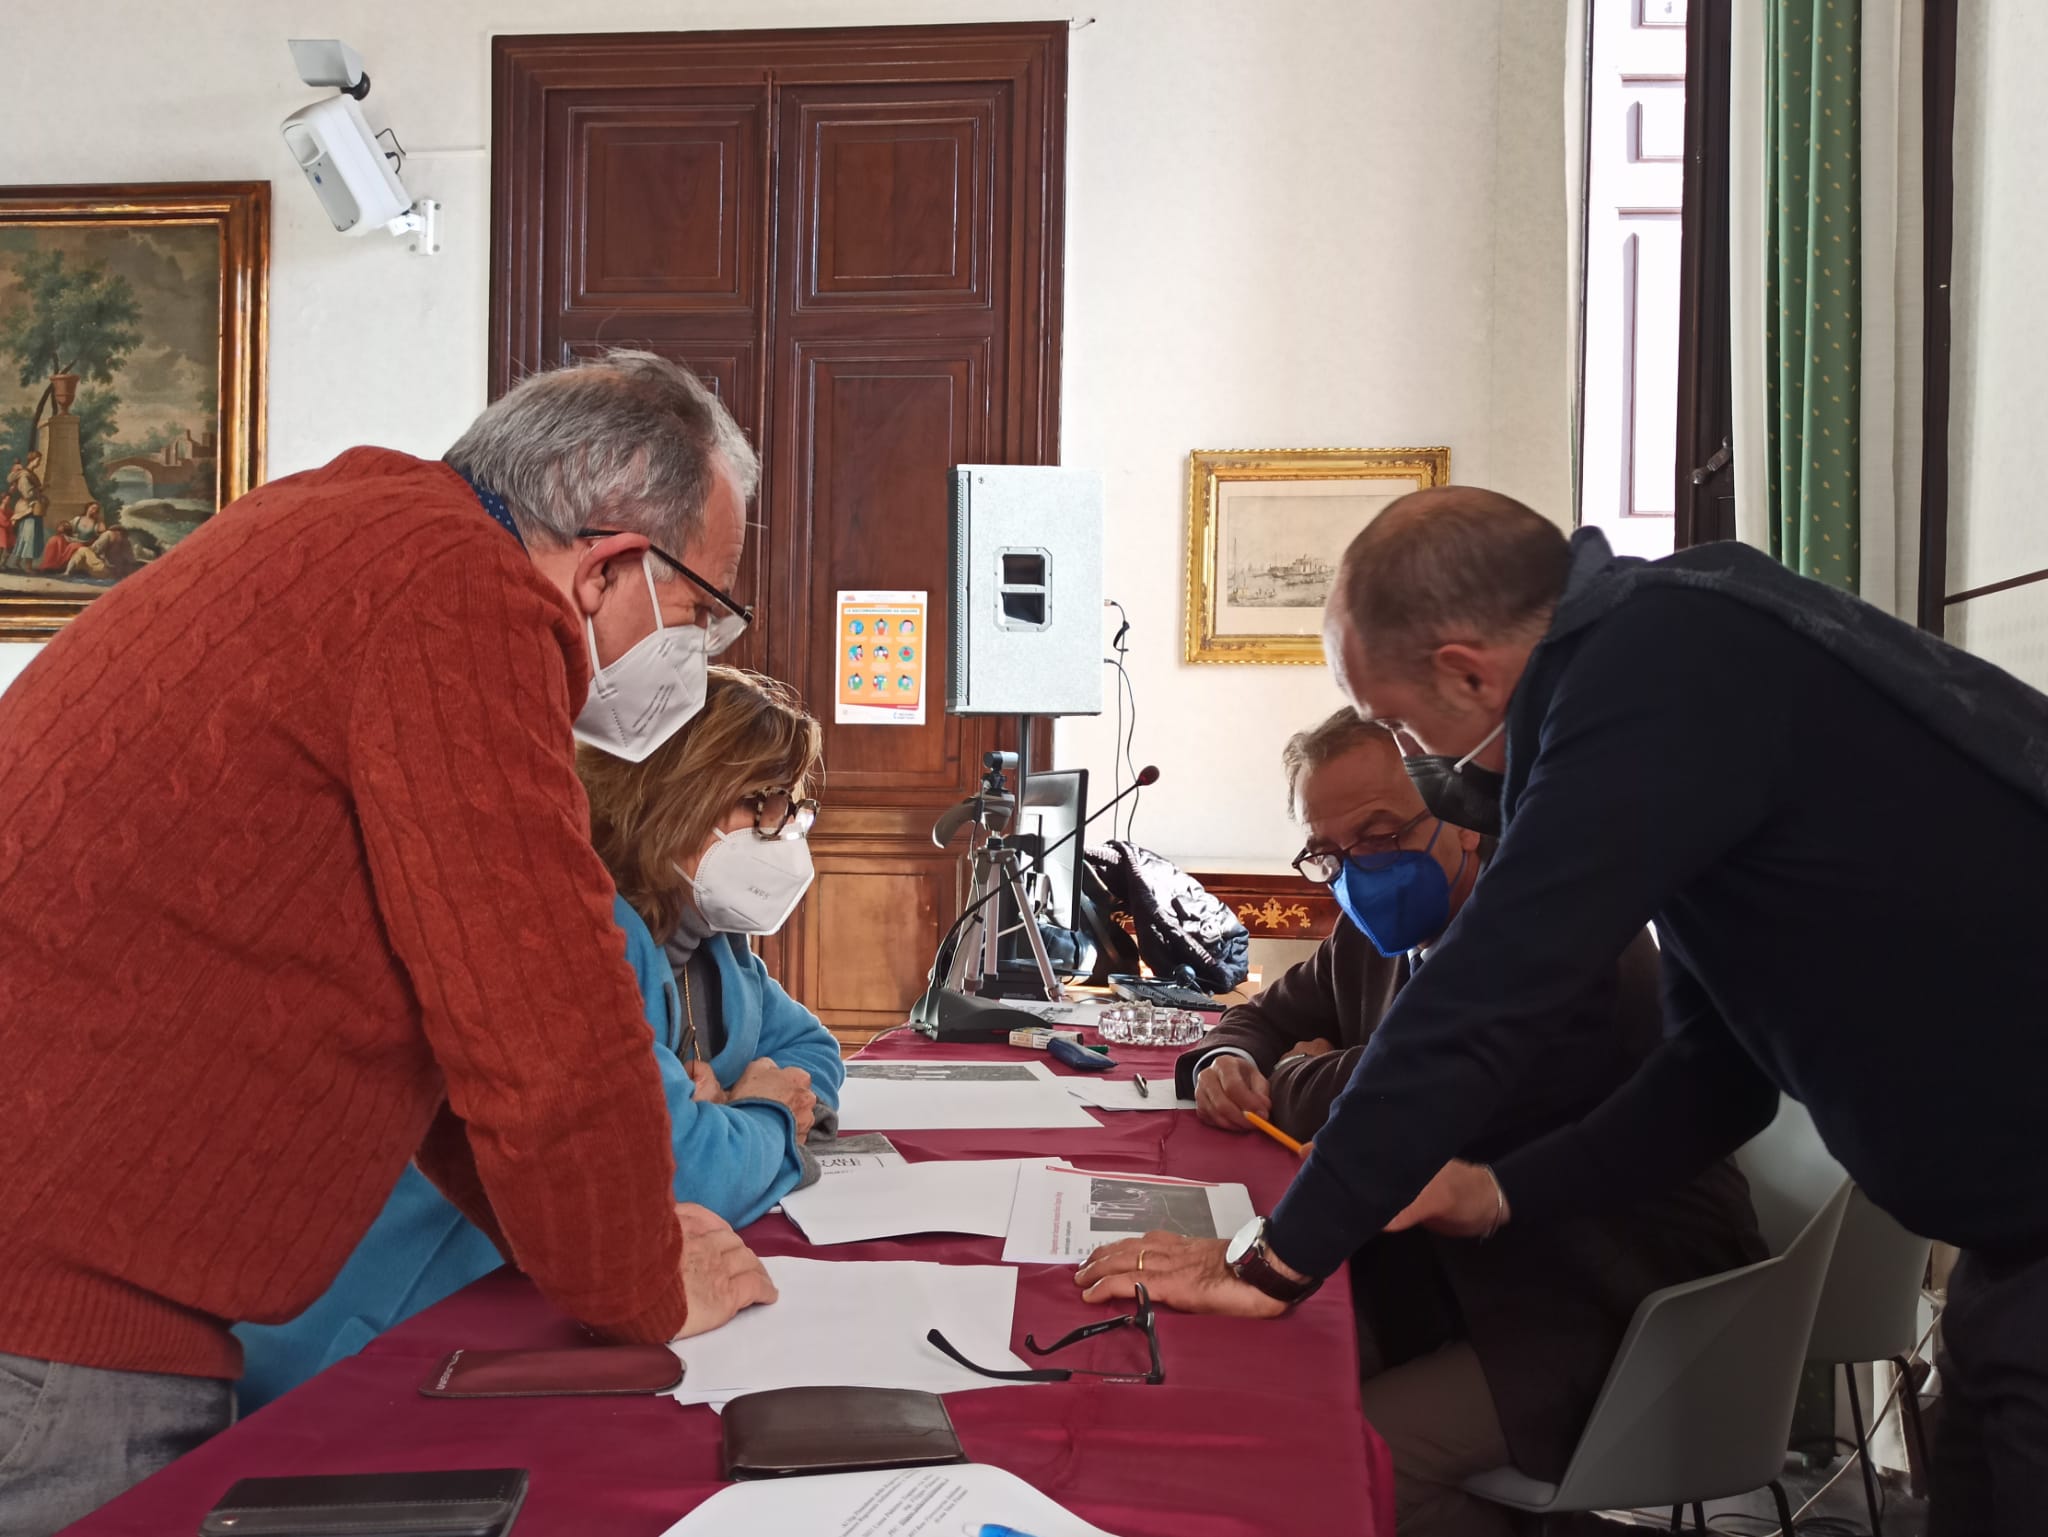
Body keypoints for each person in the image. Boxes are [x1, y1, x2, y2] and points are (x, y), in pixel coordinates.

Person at [1076, 486, 2048, 1536]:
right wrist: (1496, 1193)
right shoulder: (1670, 684)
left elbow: (1482, 994)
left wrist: (1273, 1261)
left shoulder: (1655, 666)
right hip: (2006, 1245)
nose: (1423, 766)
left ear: (1467, 670)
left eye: (1403, 726)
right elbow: (1709, 1079)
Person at [0, 351, 781, 1534]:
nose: (696, 660)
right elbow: (539, 1009)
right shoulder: (464, 594)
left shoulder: (351, 522)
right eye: (699, 615)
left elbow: (447, 1015)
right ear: (608, 564)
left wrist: (595, 1245)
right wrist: (636, 1283)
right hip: (64, 1327)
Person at [1174, 708, 1761, 1536]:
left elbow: (1396, 1098)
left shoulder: (1562, 943)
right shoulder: (1379, 930)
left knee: (1342, 1449)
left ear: (1464, 813)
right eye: (1328, 854)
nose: (1354, 871)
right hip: (1455, 1279)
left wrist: (1296, 1069)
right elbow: (1264, 1016)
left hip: (1607, 1302)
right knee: (1262, 1379)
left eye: (1377, 835)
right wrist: (1223, 1061)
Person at [233, 667, 843, 1411]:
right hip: (381, 1345)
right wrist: (768, 1118)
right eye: (763, 806)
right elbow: (666, 1177)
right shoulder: (585, 928)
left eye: (792, 810)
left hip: (514, 1313)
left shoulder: (717, 947)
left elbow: (813, 1049)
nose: (785, 834)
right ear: (678, 789)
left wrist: (720, 1113)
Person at [38, 500, 106, 573]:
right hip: (72, 539)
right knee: (54, 540)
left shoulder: (97, 523)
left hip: (84, 544)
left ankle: (59, 566)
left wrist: (101, 527)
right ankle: (48, 565)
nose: (93, 510)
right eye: (92, 508)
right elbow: (68, 528)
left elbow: (101, 536)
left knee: (73, 546)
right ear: (88, 507)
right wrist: (62, 526)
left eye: (96, 509)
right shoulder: (78, 519)